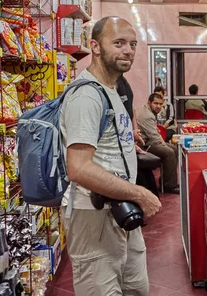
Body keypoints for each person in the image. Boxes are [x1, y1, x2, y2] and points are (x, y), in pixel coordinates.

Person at [60, 16, 161, 295]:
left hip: (120, 212)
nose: (128, 50)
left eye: (132, 44)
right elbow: (79, 168)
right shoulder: (86, 97)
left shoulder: (113, 89)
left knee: (136, 288)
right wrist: (139, 194)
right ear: (94, 46)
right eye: (118, 43)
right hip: (94, 218)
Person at [118, 75, 160, 198]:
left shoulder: (124, 84)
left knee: (144, 172)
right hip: (120, 147)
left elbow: (131, 110)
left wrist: (134, 130)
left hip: (129, 142)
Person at [136, 93, 180, 194]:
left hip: (148, 142)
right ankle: (169, 186)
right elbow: (154, 137)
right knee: (169, 152)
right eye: (156, 103)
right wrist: (163, 144)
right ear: (149, 102)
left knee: (173, 149)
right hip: (143, 145)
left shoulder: (148, 111)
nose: (158, 106)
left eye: (161, 104)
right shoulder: (147, 115)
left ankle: (166, 180)